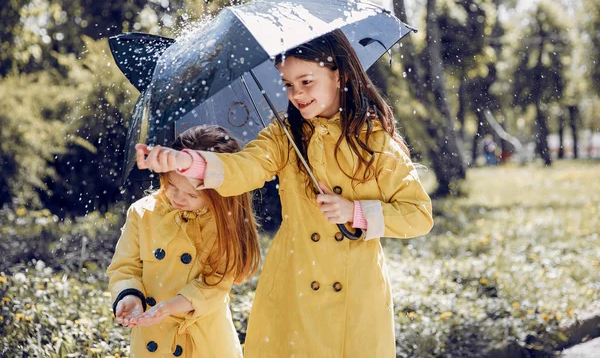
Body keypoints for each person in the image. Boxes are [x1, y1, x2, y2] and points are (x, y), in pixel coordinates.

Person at [135, 29, 434, 357]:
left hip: (356, 292)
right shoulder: (284, 136)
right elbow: (245, 167)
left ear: (339, 75)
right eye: (288, 84)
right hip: (294, 284)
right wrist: (187, 162)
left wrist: (356, 212)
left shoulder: (375, 141)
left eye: (307, 82)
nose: (297, 94)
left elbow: (418, 215)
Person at [107, 125, 260, 358]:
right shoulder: (142, 213)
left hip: (204, 342)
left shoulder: (223, 224)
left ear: (217, 193)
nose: (178, 198)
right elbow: (124, 267)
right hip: (153, 336)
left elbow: (215, 284)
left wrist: (169, 307)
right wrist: (129, 295)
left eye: (192, 195)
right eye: (172, 185)